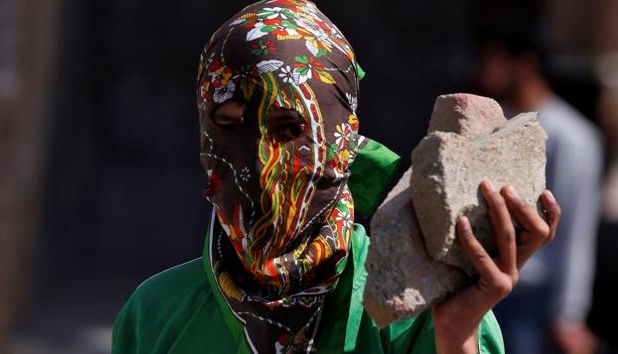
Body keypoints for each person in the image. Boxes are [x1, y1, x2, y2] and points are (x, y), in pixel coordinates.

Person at [112, 1, 561, 353]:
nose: (260, 159)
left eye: (289, 128)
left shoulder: (415, 308)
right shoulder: (156, 315)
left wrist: (458, 333)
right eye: (229, 124)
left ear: (343, 139)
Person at [474, 29, 603, 354]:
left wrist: (568, 314)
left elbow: (576, 228)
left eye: (493, 58)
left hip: (530, 301)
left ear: (522, 66)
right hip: (481, 286)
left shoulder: (571, 138)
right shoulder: (495, 124)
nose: (483, 69)